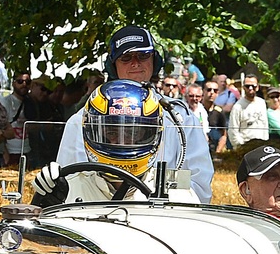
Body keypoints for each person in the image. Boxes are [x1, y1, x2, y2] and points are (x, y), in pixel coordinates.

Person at [55, 25, 214, 202]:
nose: (135, 63)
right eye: (126, 57)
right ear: (113, 64)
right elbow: (71, 182)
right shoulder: (85, 117)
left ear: (155, 61)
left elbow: (199, 187)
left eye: (143, 56)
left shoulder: (181, 117)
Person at [35, 80, 207, 204]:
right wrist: (47, 202)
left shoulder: (177, 195)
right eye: (111, 132)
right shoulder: (68, 188)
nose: (123, 142)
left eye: (134, 133)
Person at [222, 74, 269, 153]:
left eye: (253, 86)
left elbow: (265, 125)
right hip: (245, 148)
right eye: (247, 86)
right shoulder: (238, 107)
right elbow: (233, 131)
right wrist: (240, 147)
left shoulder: (262, 103)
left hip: (262, 147)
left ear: (257, 87)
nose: (250, 88)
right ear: (243, 88)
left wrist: (266, 143)